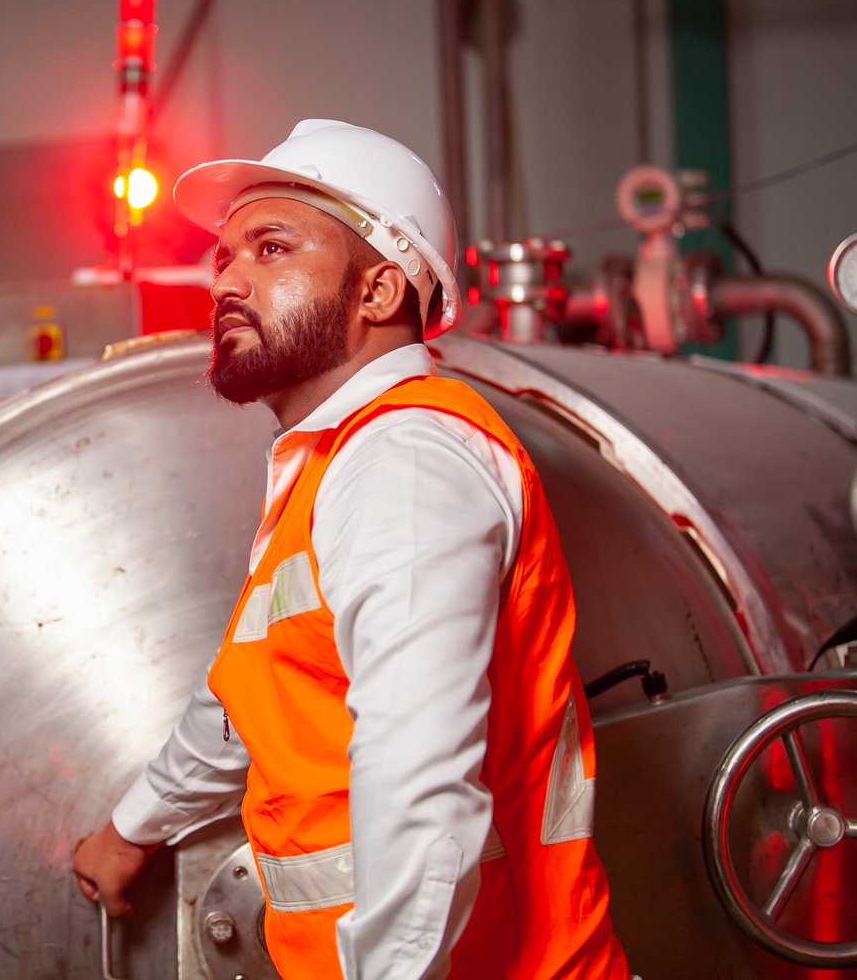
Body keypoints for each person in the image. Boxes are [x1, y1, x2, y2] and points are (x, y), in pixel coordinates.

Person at [71, 120, 633, 979]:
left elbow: (421, 783)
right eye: (225, 258)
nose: (227, 280)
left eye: (271, 248)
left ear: (377, 292)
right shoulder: (332, 463)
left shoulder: (404, 463)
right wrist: (132, 827)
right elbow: (254, 697)